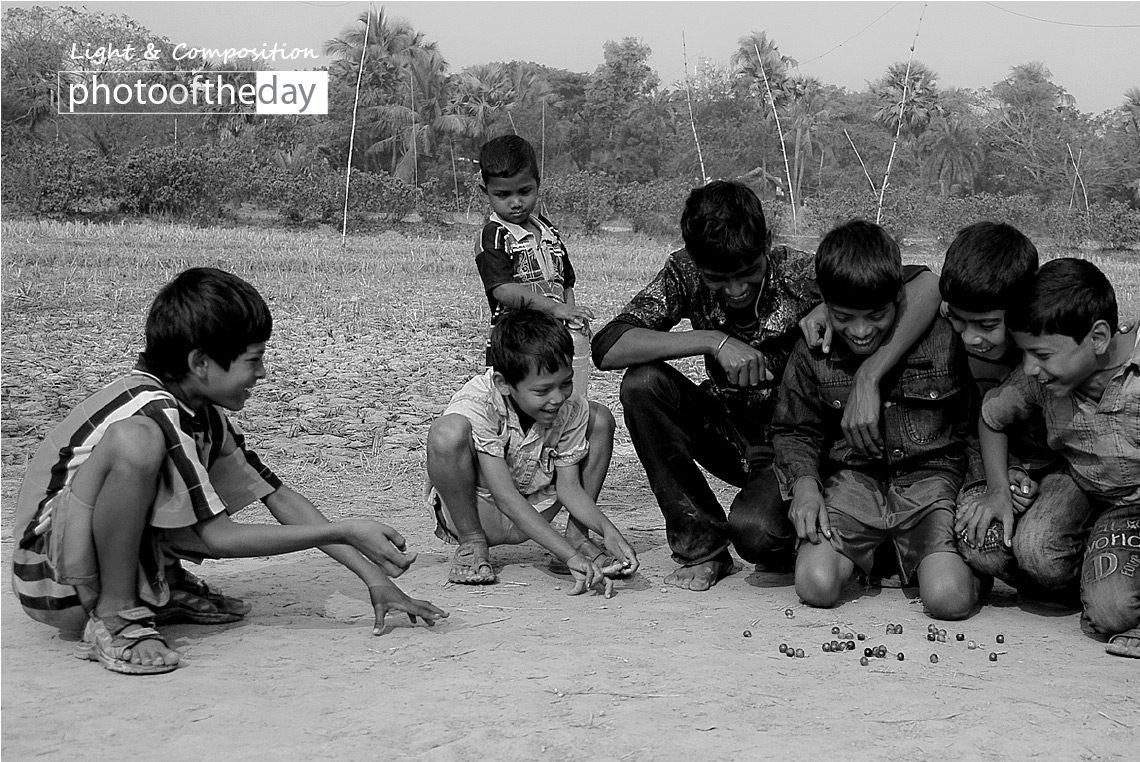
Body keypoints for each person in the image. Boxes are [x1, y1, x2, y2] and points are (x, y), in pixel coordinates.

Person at [11, 268, 447, 676]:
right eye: (253, 360)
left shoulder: (201, 414)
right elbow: (217, 538)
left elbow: (279, 497)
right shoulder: (153, 411)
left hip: (72, 570)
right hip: (53, 579)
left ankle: (160, 586)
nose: (262, 373)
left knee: (178, 480)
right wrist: (344, 530)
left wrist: (375, 579)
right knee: (137, 442)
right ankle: (116, 614)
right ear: (201, 363)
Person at [592, 181, 943, 591]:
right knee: (643, 384)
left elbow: (927, 285)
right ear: (694, 260)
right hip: (731, 435)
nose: (736, 290)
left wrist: (863, 364)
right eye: (718, 279)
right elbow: (608, 346)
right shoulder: (683, 272)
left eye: (748, 273)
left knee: (758, 534)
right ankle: (702, 548)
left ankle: (842, 541)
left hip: (798, 445)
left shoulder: (800, 273)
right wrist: (714, 341)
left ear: (767, 244)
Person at [772, 219, 981, 619]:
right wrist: (805, 486)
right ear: (824, 304)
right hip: (854, 482)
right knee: (815, 585)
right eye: (844, 316)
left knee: (948, 600)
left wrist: (975, 488)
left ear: (899, 297)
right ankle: (878, 553)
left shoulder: (943, 336)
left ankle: (929, 559)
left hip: (929, 482)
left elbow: (972, 425)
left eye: (876, 315)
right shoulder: (814, 347)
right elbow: (794, 429)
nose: (861, 331)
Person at [980, 258, 1139, 658]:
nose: (1030, 368)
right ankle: (1097, 572)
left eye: (1041, 354)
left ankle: (1108, 584)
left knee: (1114, 611)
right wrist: (998, 489)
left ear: (1098, 338)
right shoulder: (1042, 380)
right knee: (1007, 545)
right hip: (1083, 490)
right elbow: (991, 417)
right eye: (1024, 354)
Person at [425, 309, 639, 595]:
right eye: (542, 391)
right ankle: (471, 543)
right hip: (482, 510)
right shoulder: (480, 402)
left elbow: (570, 488)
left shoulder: (570, 406)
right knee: (447, 432)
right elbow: (505, 497)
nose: (557, 398)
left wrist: (607, 530)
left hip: (536, 507)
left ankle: (578, 538)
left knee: (599, 417)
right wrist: (570, 557)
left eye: (566, 383)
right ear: (503, 384)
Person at [941, 222, 1093, 602]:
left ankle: (1087, 572)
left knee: (1040, 550)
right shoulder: (956, 319)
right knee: (980, 542)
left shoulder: (1055, 345)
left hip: (1066, 468)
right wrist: (1002, 482)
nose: (969, 337)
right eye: (958, 319)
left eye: (987, 325)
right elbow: (919, 285)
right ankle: (1044, 583)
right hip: (997, 464)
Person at [475, 134, 593, 397]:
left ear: (538, 185)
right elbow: (502, 289)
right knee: (518, 405)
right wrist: (556, 309)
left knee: (559, 403)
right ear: (486, 191)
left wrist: (572, 316)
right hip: (516, 345)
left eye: (524, 191)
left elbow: (566, 283)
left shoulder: (549, 231)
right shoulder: (495, 235)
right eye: (503, 195)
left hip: (553, 343)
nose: (516, 202)